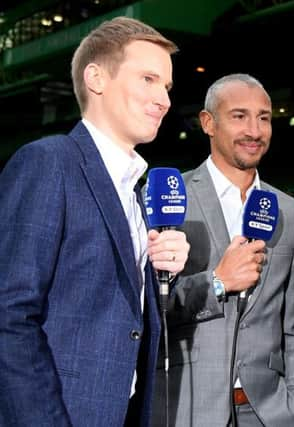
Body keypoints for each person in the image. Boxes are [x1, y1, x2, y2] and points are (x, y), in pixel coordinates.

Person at [0, 17, 190, 427]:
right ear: (96, 78)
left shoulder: (137, 193)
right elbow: (9, 316)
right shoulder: (49, 162)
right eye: (148, 79)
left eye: (167, 87)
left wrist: (163, 275)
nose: (164, 100)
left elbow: (110, 309)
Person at [151, 73, 294, 427]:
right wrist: (218, 282)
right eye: (239, 116)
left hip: (268, 414)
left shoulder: (291, 211)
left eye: (264, 117)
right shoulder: (170, 200)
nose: (255, 131)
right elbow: (149, 311)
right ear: (208, 123)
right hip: (188, 408)